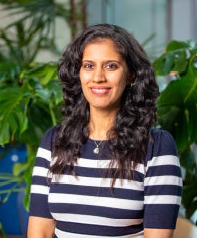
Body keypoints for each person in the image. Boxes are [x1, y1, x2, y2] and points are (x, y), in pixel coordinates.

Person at [27, 24, 182, 238]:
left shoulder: (157, 147)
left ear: (131, 75)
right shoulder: (54, 141)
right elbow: (40, 232)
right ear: (78, 73)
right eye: (89, 66)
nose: (98, 77)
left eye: (111, 66)